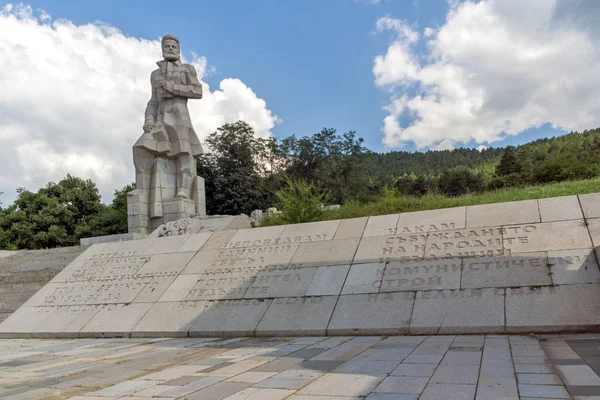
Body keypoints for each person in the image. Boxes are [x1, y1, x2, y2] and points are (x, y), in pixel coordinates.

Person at [132, 33, 203, 201]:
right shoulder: (155, 74)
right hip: (159, 118)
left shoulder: (187, 69)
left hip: (180, 116)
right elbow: (152, 100)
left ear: (178, 49)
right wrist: (148, 118)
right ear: (162, 49)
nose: (170, 49)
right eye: (166, 46)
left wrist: (173, 87)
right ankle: (142, 190)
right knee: (140, 147)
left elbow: (198, 91)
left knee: (183, 153)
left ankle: (183, 190)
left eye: (173, 46)